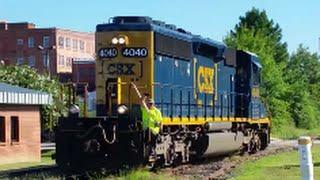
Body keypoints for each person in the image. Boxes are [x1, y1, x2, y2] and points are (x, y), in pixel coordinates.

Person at [130, 82, 162, 162]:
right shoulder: (145, 110)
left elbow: (160, 122)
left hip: (154, 130)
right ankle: (143, 152)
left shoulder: (157, 111)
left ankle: (151, 151)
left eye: (151, 104)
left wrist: (158, 126)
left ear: (153, 104)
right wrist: (143, 95)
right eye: (149, 103)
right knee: (142, 137)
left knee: (150, 136)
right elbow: (141, 102)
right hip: (146, 129)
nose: (150, 105)